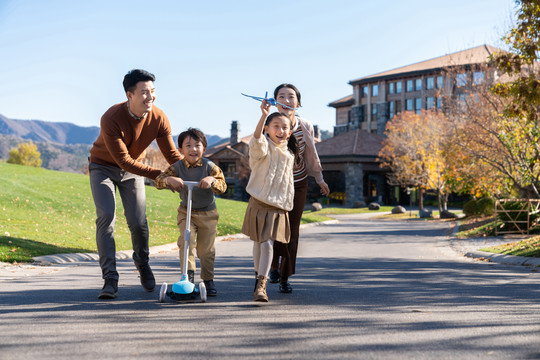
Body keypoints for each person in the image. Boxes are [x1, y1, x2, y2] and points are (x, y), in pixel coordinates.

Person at [88, 69, 182, 299]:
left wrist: (195, 172)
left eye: (153, 91)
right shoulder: (111, 118)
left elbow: (172, 154)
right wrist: (162, 176)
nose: (150, 97)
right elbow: (123, 161)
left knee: (138, 222)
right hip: (103, 168)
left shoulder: (158, 117)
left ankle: (142, 263)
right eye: (144, 92)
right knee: (106, 217)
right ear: (129, 95)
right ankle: (110, 277)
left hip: (132, 172)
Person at [269, 83, 330, 293]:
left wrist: (319, 179)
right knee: (275, 228)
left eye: (291, 96)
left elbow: (311, 155)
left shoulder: (305, 125)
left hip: (299, 183)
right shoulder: (270, 125)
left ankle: (285, 277)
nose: (286, 100)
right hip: (275, 186)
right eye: (281, 96)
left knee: (292, 232)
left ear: (298, 102)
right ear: (274, 101)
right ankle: (273, 265)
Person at [154, 128, 226, 297]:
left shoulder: (210, 167)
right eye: (188, 145)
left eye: (197, 145)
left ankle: (208, 280)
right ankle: (188, 277)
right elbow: (158, 181)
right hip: (186, 212)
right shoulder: (176, 167)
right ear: (181, 150)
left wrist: (211, 180)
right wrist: (168, 180)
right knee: (186, 242)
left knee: (206, 250)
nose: (193, 149)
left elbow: (223, 186)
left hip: (208, 213)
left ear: (204, 149)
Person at [241, 100, 297, 303]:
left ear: (290, 132)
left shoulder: (289, 154)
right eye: (276, 126)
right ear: (267, 129)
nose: (281, 131)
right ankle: (259, 281)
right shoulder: (263, 149)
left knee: (266, 245)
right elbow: (256, 140)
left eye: (285, 127)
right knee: (258, 244)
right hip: (259, 203)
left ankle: (261, 285)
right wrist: (263, 115)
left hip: (278, 208)